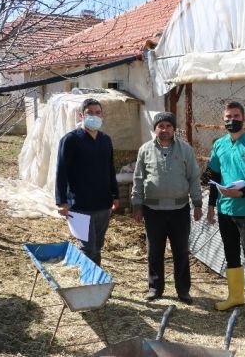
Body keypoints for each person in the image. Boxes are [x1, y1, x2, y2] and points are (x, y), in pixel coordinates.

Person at [131, 112, 202, 304]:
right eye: (160, 126)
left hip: (179, 209)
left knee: (181, 251)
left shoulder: (185, 150)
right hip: (153, 211)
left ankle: (183, 290)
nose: (164, 130)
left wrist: (197, 203)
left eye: (168, 126)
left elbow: (194, 177)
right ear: (155, 129)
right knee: (154, 251)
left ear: (173, 129)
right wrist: (137, 204)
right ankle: (155, 288)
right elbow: (138, 179)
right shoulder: (145, 150)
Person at [207, 101, 245, 323]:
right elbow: (213, 177)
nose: (231, 120)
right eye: (228, 116)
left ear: (244, 118)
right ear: (223, 119)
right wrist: (211, 206)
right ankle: (235, 296)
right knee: (230, 252)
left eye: (236, 115)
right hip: (225, 209)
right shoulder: (219, 145)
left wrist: (242, 193)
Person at [55, 98, 119, 266]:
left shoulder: (105, 140)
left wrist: (115, 195)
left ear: (102, 115)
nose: (94, 116)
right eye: (90, 113)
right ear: (81, 115)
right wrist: (62, 202)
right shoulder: (70, 140)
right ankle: (88, 282)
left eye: (98, 113)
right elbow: (61, 171)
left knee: (97, 246)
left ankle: (93, 282)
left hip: (102, 204)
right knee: (87, 247)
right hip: (79, 205)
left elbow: (110, 168)